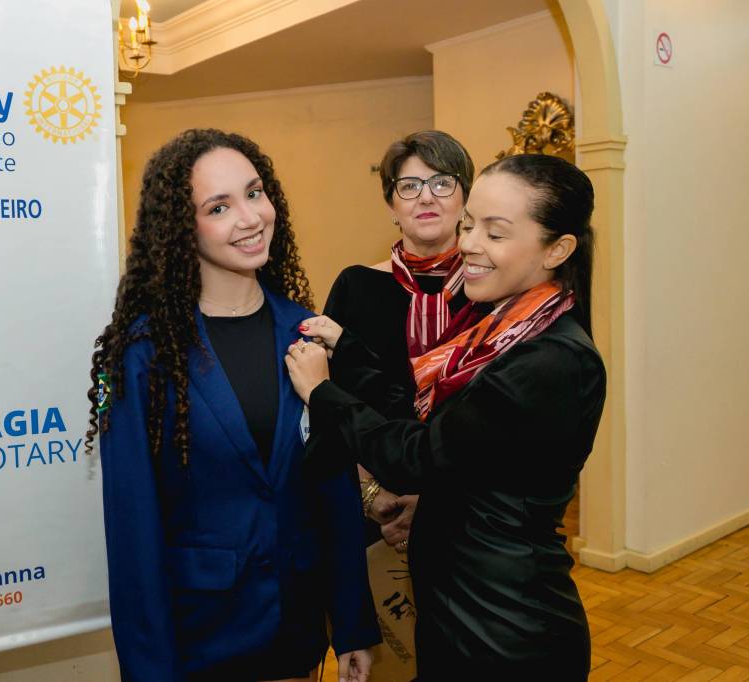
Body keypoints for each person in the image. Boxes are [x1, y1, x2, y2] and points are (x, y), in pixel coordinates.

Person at [287, 154, 606, 678]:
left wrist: (323, 393)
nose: (471, 244)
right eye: (470, 225)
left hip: (503, 626)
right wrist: (349, 353)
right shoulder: (500, 332)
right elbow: (430, 423)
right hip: (463, 610)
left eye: (495, 233)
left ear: (558, 249)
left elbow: (417, 456)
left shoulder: (551, 359)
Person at [89, 129, 380, 682]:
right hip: (200, 639)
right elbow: (132, 528)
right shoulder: (144, 353)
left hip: (297, 632)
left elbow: (334, 489)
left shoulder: (306, 332)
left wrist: (352, 623)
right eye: (218, 207)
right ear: (183, 228)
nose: (250, 218)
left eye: (254, 193)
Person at [323, 131, 479, 551]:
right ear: (392, 204)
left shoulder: (492, 293)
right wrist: (372, 494)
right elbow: (326, 396)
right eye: (409, 186)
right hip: (371, 502)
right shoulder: (356, 286)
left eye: (442, 182)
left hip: (470, 508)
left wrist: (436, 500)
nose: (426, 197)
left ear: (465, 197)